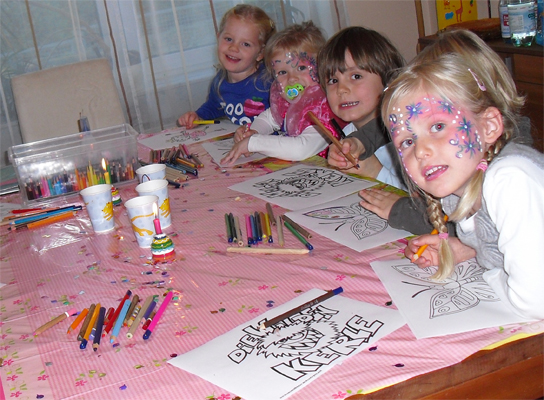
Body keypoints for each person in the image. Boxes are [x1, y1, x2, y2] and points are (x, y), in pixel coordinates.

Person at [383, 45, 544, 319]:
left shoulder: (511, 179)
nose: (421, 151)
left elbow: (535, 301)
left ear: (489, 126)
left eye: (437, 127)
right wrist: (467, 249)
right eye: (408, 141)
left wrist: (493, 273)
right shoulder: (457, 187)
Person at [318, 26, 437, 234]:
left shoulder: (406, 137)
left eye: (355, 76)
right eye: (333, 80)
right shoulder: (348, 132)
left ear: (388, 82)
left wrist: (375, 171)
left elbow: (421, 206)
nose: (342, 89)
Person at [220, 21, 338, 165]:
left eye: (301, 68)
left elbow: (300, 149)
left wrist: (254, 143)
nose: (292, 79)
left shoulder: (324, 108)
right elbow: (269, 118)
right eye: (282, 72)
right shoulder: (288, 101)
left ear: (321, 66)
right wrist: (253, 132)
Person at [177, 4, 276, 128]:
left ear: (261, 53)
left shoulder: (269, 83)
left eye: (245, 44)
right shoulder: (219, 81)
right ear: (218, 38)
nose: (233, 48)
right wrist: (197, 116)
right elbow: (214, 106)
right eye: (228, 39)